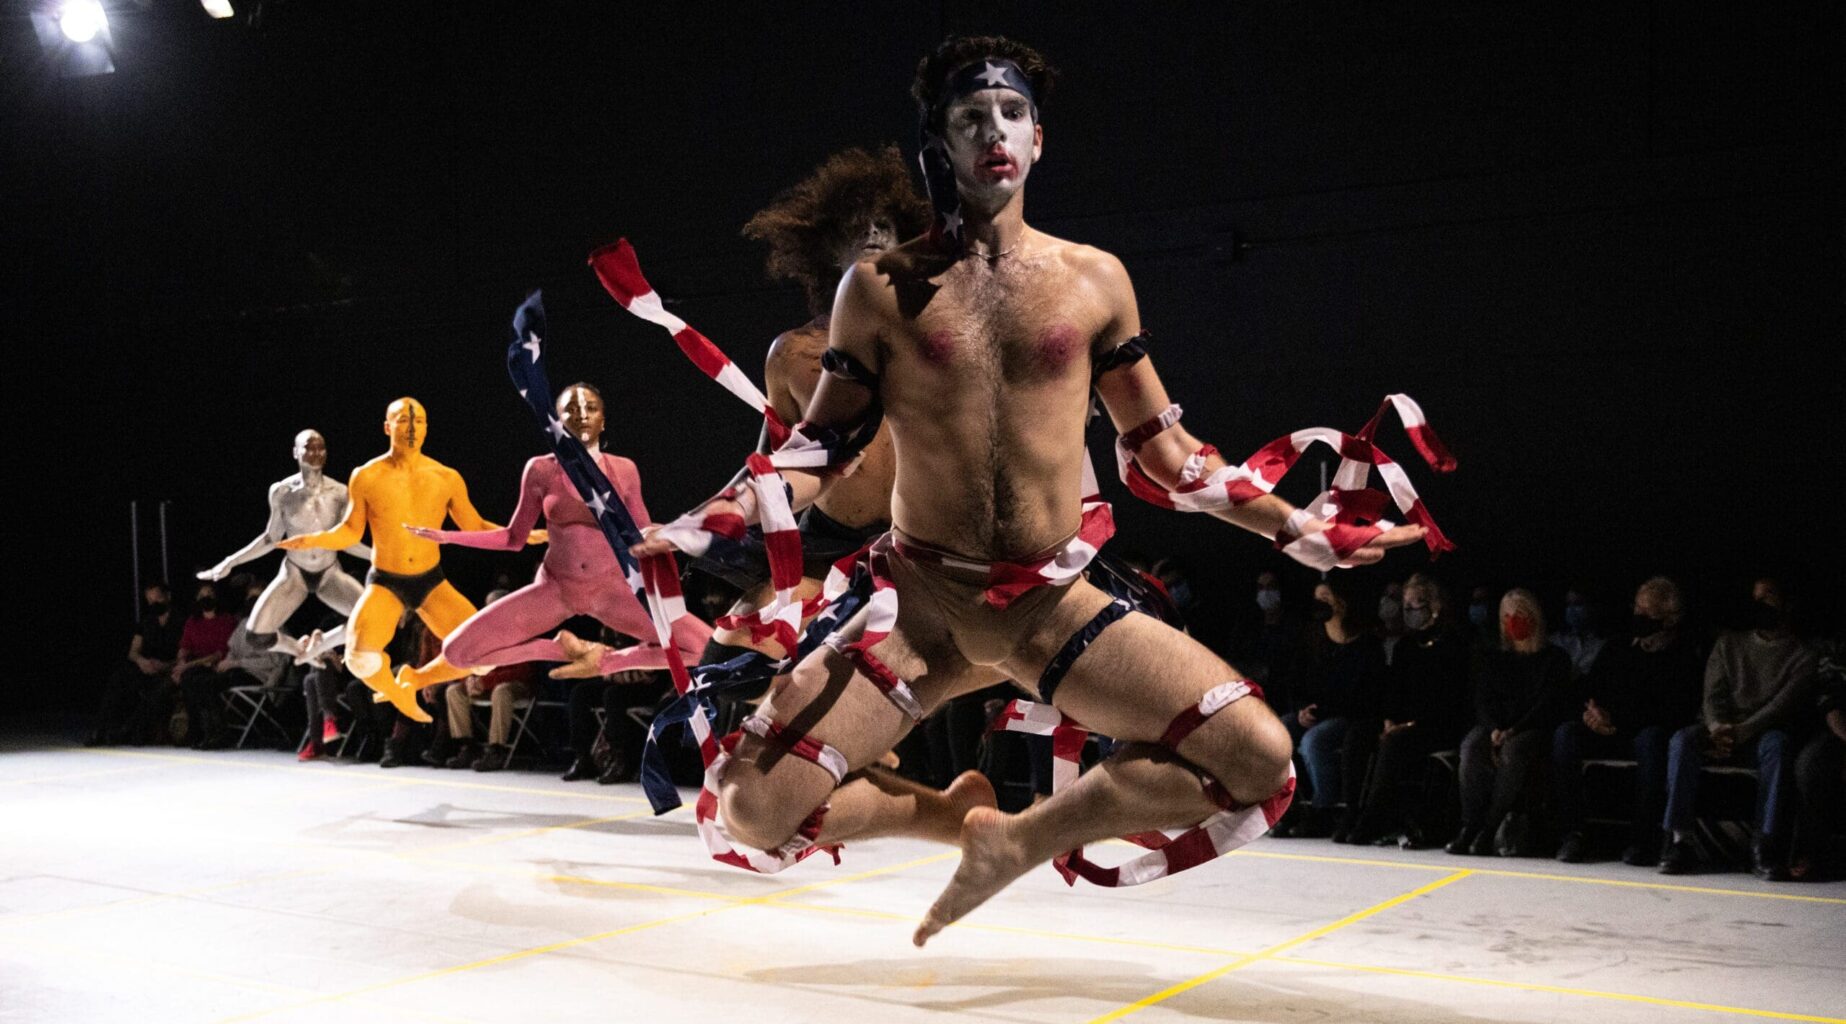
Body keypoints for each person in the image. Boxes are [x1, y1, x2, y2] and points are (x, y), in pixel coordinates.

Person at [629, 35, 1432, 944]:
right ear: (941, 144)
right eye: (971, 119)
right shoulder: (880, 290)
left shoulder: (1094, 281)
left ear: (1039, 138)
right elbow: (819, 447)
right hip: (923, 612)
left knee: (1259, 756)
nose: (994, 133)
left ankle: (1015, 842)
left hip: (1052, 609)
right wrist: (709, 520)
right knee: (751, 809)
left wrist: (1302, 528)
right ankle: (944, 816)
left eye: (1011, 114)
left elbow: (1170, 455)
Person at [393, 384, 711, 692]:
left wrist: (686, 531)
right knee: (456, 652)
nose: (582, 414)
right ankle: (561, 648)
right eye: (571, 409)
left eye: (590, 407)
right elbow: (513, 539)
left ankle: (603, 661)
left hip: (610, 591)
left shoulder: (624, 470)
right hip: (556, 588)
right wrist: (448, 538)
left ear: (603, 420)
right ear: (558, 421)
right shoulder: (541, 470)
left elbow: (642, 537)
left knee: (706, 649)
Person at [277, 398, 491, 723]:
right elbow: (350, 531)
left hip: (430, 579)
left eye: (417, 421)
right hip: (387, 581)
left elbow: (474, 527)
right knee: (359, 659)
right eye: (403, 422)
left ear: (426, 428)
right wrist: (314, 539)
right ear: (388, 427)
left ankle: (415, 679)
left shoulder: (446, 477)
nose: (410, 428)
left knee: (485, 657)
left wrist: (518, 533)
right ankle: (395, 691)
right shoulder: (366, 475)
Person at [1661, 578, 1818, 879]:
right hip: (1719, 731)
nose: (1760, 605)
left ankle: (1765, 844)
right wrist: (1717, 726)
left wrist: (1740, 732)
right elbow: (1712, 695)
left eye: (1768, 597)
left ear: (1787, 604)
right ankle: (1679, 841)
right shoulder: (1729, 644)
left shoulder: (1803, 655)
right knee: (1683, 740)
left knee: (1779, 744)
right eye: (1755, 597)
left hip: (1759, 734)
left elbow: (1779, 707)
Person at [1551, 576, 1704, 864]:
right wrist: (1591, 713)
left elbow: (1674, 713)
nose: (1638, 617)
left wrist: (1616, 721)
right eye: (1637, 609)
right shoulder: (1618, 648)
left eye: (1648, 614)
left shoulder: (1683, 658)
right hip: (1604, 729)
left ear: (1669, 619)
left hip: (1639, 733)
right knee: (1565, 734)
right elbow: (1587, 690)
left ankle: (1644, 839)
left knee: (1652, 739)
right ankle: (1573, 834)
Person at [197, 430, 369, 660]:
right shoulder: (282, 492)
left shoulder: (340, 492)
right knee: (256, 635)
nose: (316, 453)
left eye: (321, 448)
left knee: (372, 624)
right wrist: (230, 562)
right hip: (295, 573)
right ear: (295, 452)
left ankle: (319, 646)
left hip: (329, 572)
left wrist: (380, 557)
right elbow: (271, 539)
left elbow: (347, 541)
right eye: (309, 447)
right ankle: (298, 649)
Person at [1348, 572, 1471, 847]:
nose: (1408, 612)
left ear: (1435, 606)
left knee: (1396, 743)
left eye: (1415, 605)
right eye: (1406, 606)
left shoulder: (1454, 644)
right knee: (1361, 734)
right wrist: (1390, 719)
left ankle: (1373, 821)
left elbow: (1451, 698)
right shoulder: (1406, 646)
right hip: (1405, 725)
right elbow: (1395, 691)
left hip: (1441, 724)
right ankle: (1351, 814)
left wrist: (1409, 725)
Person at [1448, 588, 1572, 857]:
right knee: (1471, 745)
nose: (1512, 620)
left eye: (1519, 614)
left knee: (1515, 751)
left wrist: (1514, 730)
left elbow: (1547, 704)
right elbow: (1482, 699)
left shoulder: (1555, 658)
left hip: (1532, 728)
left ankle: (1489, 828)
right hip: (1497, 726)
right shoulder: (1493, 657)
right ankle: (1470, 825)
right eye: (1506, 615)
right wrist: (1494, 728)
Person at [1279, 579, 1386, 839]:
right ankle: (1287, 806)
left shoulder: (1366, 644)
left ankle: (1323, 809)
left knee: (1315, 741)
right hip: (1312, 712)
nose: (1322, 604)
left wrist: (1321, 711)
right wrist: (1302, 708)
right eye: (1318, 598)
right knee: (1276, 733)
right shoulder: (1311, 638)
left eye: (1327, 597)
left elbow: (1364, 694)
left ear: (1342, 601)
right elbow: (1295, 681)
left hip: (1347, 716)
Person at [89, 582, 182, 746]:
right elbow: (133, 651)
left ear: (168, 597)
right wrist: (142, 661)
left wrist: (165, 665)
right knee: (119, 677)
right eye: (150, 600)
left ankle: (129, 730)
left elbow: (185, 653)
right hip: (147, 667)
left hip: (171, 668)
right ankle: (101, 729)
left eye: (158, 598)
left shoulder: (181, 620)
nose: (154, 603)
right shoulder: (146, 622)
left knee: (159, 689)